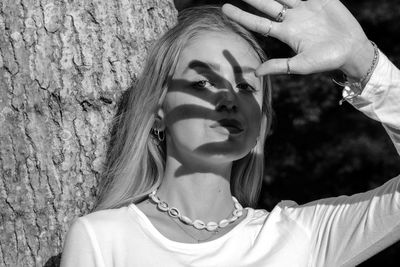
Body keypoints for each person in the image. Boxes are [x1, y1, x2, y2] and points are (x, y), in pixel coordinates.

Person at [60, 1, 400, 266]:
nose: (228, 99)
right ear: (157, 112)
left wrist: (361, 61)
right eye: (203, 82)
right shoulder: (100, 239)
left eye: (245, 86)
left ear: (261, 125)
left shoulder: (300, 237)